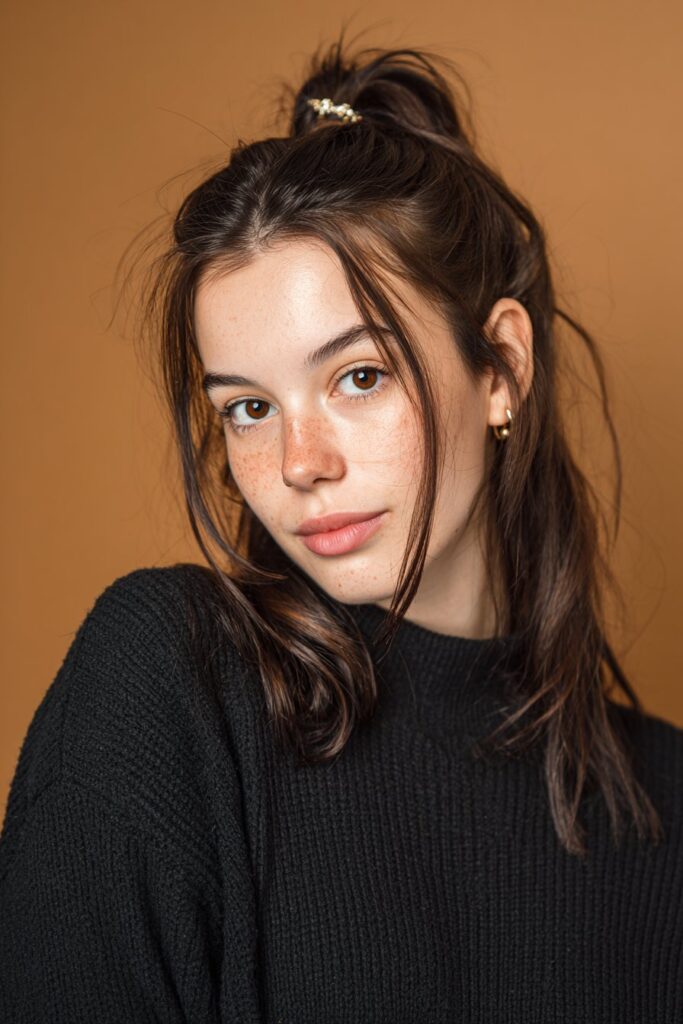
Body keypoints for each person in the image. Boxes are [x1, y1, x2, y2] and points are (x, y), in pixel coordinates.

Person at [1, 34, 681, 1023]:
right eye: (246, 406)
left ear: (499, 369)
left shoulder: (664, 813)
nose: (297, 463)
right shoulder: (172, 684)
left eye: (358, 377)